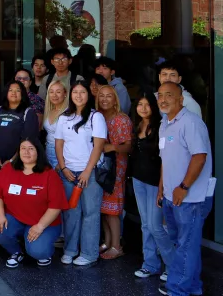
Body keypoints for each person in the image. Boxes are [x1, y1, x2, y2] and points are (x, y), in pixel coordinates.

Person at [149, 81, 215, 296]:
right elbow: (166, 160)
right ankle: (193, 288)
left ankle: (178, 294)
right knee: (182, 244)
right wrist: (161, 188)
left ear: (181, 99)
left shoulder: (191, 122)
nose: (164, 99)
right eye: (161, 96)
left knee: (185, 245)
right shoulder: (165, 124)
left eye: (170, 95)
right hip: (171, 196)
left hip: (191, 198)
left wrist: (184, 186)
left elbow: (199, 157)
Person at [0, 137, 68, 268]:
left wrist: (40, 226)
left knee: (38, 251)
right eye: (23, 149)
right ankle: (16, 252)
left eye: (31, 149)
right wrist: (0, 215)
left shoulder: (49, 174)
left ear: (38, 152)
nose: (26, 152)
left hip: (44, 223)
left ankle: (42, 251)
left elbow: (55, 206)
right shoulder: (8, 168)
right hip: (16, 218)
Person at [54, 79, 106, 266]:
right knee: (70, 212)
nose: (78, 95)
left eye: (82, 92)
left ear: (89, 95)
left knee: (90, 213)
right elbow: (58, 143)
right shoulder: (63, 118)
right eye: (75, 92)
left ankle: (89, 253)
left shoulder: (96, 117)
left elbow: (98, 146)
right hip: (68, 172)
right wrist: (63, 167)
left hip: (89, 173)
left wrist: (87, 171)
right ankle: (70, 250)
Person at [129, 91, 171, 279]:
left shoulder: (161, 127)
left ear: (153, 106)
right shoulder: (137, 125)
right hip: (138, 179)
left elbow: (165, 161)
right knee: (145, 224)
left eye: (147, 104)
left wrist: (162, 187)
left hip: (155, 182)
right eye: (140, 104)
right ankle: (150, 263)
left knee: (156, 226)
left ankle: (172, 266)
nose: (143, 108)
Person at [98, 84, 133, 260]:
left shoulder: (122, 119)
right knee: (103, 208)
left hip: (116, 168)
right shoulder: (97, 117)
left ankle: (117, 246)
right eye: (101, 96)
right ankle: (108, 241)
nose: (104, 99)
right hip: (102, 168)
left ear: (115, 100)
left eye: (109, 96)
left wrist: (112, 146)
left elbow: (129, 146)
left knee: (113, 210)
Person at [0, 81, 39, 173]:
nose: (13, 93)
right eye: (10, 90)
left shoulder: (28, 113)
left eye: (17, 90)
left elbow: (27, 140)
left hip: (18, 162)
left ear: (23, 94)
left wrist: (13, 160)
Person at [42, 80, 68, 171]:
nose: (54, 95)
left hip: (63, 153)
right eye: (51, 92)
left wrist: (63, 161)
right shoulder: (48, 110)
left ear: (65, 93)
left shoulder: (69, 113)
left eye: (58, 92)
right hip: (48, 151)